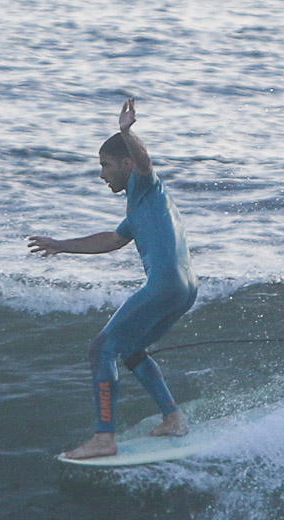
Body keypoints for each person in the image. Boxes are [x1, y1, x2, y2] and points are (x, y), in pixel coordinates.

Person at [28, 98, 199, 459]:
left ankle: (105, 437)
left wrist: (127, 131)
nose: (102, 174)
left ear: (125, 164)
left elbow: (145, 162)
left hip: (165, 284)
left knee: (101, 349)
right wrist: (61, 246)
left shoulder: (145, 183)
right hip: (186, 288)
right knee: (132, 351)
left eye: (105, 165)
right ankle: (173, 417)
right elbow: (113, 239)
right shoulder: (143, 204)